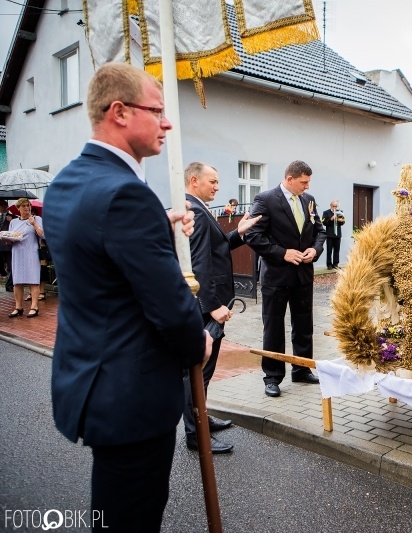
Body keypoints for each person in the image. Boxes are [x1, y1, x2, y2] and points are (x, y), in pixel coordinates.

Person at [45, 62, 212, 533]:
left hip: (91, 381)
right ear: (119, 112)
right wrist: (196, 340)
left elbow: (96, 252)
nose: (167, 122)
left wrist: (158, 223)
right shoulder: (126, 195)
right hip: (131, 393)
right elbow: (169, 305)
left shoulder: (66, 183)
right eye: (156, 110)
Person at [182, 162, 260, 454]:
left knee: (205, 369)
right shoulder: (196, 212)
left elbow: (217, 248)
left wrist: (238, 232)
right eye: (212, 181)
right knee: (197, 372)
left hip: (208, 305)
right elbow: (200, 264)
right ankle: (195, 434)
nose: (217, 186)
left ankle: (202, 419)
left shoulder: (199, 209)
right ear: (194, 180)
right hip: (205, 307)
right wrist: (213, 305)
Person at [245, 160, 326, 398]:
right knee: (273, 327)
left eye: (308, 182)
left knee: (304, 326)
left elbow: (320, 230)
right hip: (276, 276)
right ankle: (272, 377)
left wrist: (315, 250)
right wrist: (283, 253)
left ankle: (301, 369)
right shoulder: (266, 199)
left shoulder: (308, 200)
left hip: (303, 275)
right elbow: (253, 235)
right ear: (289, 179)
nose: (307, 186)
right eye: (303, 182)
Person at [4, 198, 43, 317]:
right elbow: (11, 237)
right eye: (24, 206)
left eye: (28, 205)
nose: (27, 208)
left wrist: (34, 224)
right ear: (18, 208)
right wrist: (7, 239)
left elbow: (42, 234)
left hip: (31, 252)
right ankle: (18, 307)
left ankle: (34, 307)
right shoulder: (13, 222)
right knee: (17, 282)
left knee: (33, 280)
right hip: (17, 252)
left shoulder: (37, 219)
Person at [321, 200, 345, 269]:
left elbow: (342, 223)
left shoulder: (340, 212)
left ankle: (336, 264)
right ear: (331, 206)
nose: (335, 207)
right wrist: (331, 219)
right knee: (329, 250)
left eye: (336, 206)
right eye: (334, 206)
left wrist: (340, 220)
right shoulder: (326, 212)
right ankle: (329, 264)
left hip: (338, 234)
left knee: (337, 250)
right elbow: (324, 223)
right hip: (330, 234)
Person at [0, 205, 13, 278]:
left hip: (7, 244)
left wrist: (11, 220)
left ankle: (9, 279)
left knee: (9, 262)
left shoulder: (11, 216)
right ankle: (4, 273)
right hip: (0, 244)